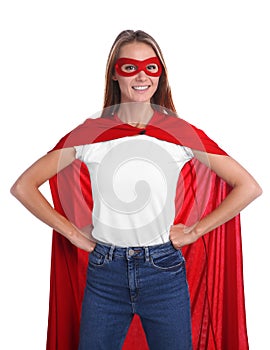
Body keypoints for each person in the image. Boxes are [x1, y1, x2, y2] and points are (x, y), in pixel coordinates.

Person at [10, 29, 262, 350]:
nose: (142, 76)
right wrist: (72, 233)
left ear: (161, 73)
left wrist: (196, 230)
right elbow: (24, 186)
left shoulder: (178, 132)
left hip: (164, 272)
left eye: (151, 67)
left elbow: (248, 186)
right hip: (105, 274)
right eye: (130, 67)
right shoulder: (91, 133)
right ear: (115, 74)